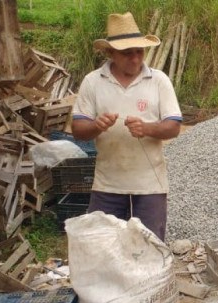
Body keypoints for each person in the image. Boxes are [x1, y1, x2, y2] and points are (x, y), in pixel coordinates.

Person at [71, 12, 182, 241]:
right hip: (107, 185)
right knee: (104, 249)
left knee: (149, 251)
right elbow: (78, 130)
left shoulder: (159, 81)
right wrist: (96, 126)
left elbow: (173, 126)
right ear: (110, 53)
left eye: (139, 52)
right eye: (126, 53)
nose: (135, 59)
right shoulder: (93, 81)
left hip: (150, 187)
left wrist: (147, 129)